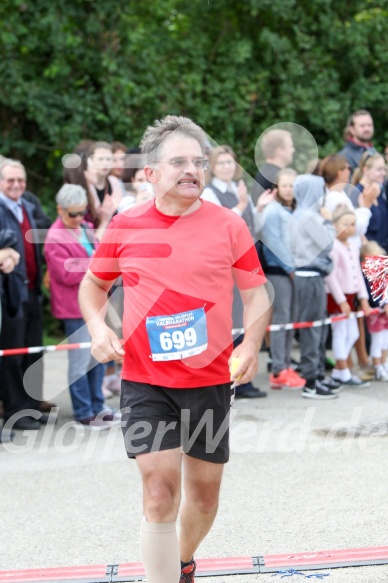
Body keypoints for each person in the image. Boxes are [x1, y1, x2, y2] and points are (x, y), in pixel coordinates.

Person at [79, 115, 271, 583]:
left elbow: (256, 292)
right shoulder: (126, 226)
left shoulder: (228, 225)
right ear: (151, 173)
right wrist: (98, 329)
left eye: (200, 161)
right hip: (146, 381)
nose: (193, 169)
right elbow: (93, 285)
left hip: (208, 381)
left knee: (204, 497)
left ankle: (181, 559)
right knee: (160, 493)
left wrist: (250, 344)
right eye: (180, 161)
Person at [44, 184, 118, 427]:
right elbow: (66, 273)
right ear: (60, 210)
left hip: (97, 304)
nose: (77, 218)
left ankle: (99, 406)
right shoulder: (54, 236)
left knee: (98, 358)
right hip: (73, 308)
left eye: (81, 212)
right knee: (80, 363)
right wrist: (96, 267)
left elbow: (101, 258)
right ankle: (84, 411)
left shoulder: (86, 227)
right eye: (72, 214)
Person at [201, 144, 266, 398]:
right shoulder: (209, 193)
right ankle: (230, 379)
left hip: (245, 260)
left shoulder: (241, 190)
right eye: (222, 163)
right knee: (228, 319)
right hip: (224, 265)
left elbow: (254, 227)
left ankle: (242, 375)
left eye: (230, 162)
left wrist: (258, 208)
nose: (227, 167)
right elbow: (220, 226)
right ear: (213, 167)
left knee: (244, 318)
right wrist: (240, 206)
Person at [0, 159, 47, 430]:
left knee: (34, 352)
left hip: (32, 289)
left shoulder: (28, 207)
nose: (17, 185)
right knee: (14, 355)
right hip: (10, 294)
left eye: (21, 180)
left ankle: (32, 407)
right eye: (10, 180)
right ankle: (15, 412)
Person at [290, 175, 340, 399]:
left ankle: (317, 374)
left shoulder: (302, 214)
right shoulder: (309, 217)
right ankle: (311, 380)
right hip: (309, 276)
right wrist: (329, 221)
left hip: (311, 275)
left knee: (317, 328)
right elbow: (328, 243)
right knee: (312, 329)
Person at [260, 168, 305, 390]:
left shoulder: (290, 211)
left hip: (291, 271)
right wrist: (290, 268)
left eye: (293, 185)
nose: (289, 189)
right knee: (281, 320)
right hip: (279, 272)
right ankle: (278, 369)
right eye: (285, 185)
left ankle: (286, 365)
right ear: (277, 188)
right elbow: (273, 243)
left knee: (291, 319)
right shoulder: (272, 211)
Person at [325, 207, 371, 387]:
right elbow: (331, 276)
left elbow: (357, 274)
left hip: (351, 296)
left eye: (353, 224)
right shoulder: (333, 246)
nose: (350, 228)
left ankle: (339, 370)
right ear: (335, 225)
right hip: (337, 297)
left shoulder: (353, 245)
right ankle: (343, 371)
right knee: (340, 332)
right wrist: (341, 301)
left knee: (353, 333)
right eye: (345, 224)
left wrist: (364, 298)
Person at [360, 241, 388, 381]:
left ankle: (383, 363)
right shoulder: (366, 275)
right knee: (377, 340)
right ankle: (377, 367)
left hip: (384, 311)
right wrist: (382, 305)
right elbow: (371, 295)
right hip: (376, 312)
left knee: (385, 340)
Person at [350, 152, 388, 251]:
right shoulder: (356, 193)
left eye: (384, 169)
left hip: (382, 251)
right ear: (366, 170)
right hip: (369, 253)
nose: (383, 173)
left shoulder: (379, 191)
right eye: (379, 169)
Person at [252, 129, 295, 204]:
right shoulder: (276, 177)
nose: (293, 150)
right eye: (290, 146)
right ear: (279, 151)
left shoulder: (263, 173)